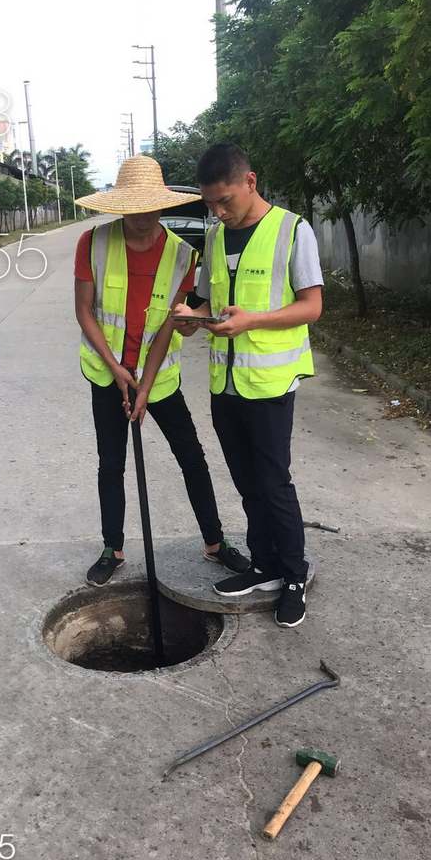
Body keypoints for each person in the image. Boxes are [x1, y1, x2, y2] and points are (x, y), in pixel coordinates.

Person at [74, 154, 250, 587]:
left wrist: (145, 386)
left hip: (160, 376)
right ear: (119, 206)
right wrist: (117, 370)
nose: (142, 217)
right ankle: (112, 548)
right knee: (111, 462)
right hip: (107, 374)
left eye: (150, 207)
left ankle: (215, 542)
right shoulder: (93, 243)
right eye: (132, 208)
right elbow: (84, 311)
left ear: (162, 204)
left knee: (192, 457)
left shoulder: (182, 255)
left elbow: (169, 326)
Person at [173, 144, 323, 628]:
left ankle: (295, 574)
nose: (218, 212)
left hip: (270, 384)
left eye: (225, 201)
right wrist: (191, 318)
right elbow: (206, 301)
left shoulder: (292, 230)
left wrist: (252, 320)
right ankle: (264, 565)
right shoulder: (215, 237)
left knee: (273, 482)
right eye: (210, 204)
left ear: (250, 182)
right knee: (245, 481)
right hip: (225, 384)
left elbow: (312, 306)